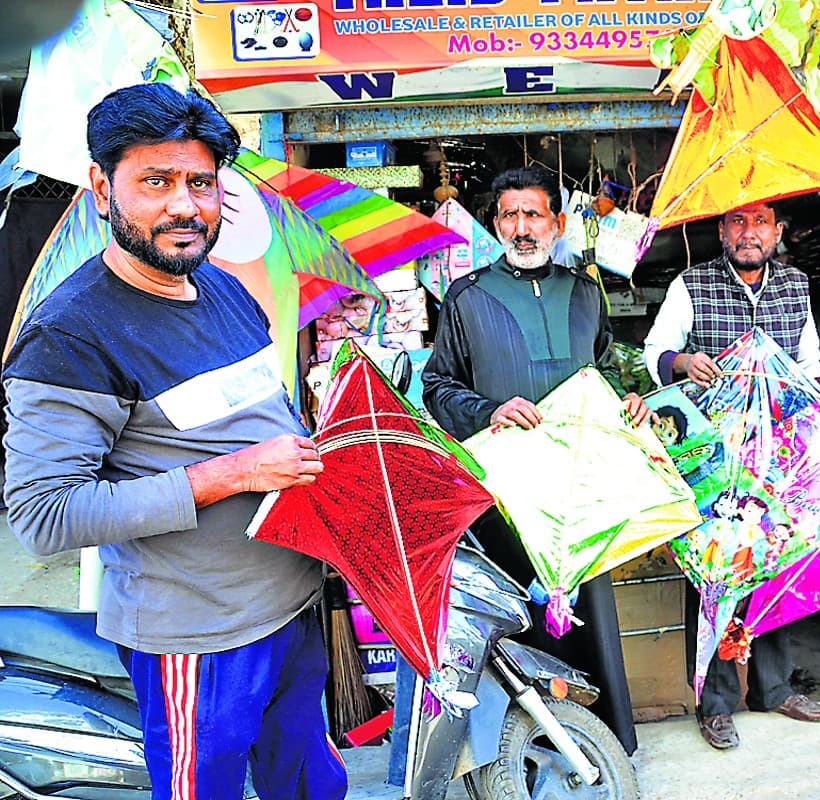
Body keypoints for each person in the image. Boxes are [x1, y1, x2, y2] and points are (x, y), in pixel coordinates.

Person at [2, 84, 344, 798]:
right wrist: (234, 474)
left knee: (310, 785)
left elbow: (260, 418)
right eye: (154, 182)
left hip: (291, 608)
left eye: (200, 182)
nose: (184, 206)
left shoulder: (219, 286)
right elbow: (44, 516)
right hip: (198, 638)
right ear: (102, 187)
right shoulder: (69, 336)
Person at [420, 165, 649, 754]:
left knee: (587, 614)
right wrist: (489, 410)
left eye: (533, 214)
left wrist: (631, 397)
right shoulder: (466, 298)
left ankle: (601, 744)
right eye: (509, 216)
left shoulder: (585, 292)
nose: (522, 228)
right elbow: (437, 387)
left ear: (558, 222)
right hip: (509, 494)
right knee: (520, 616)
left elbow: (609, 368)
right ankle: (523, 746)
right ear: (495, 224)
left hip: (581, 488)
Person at [642, 201, 820, 751]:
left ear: (778, 232)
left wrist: (817, 428)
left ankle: (774, 688)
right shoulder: (691, 284)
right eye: (737, 223)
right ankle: (715, 702)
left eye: (760, 223)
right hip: (711, 461)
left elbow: (811, 367)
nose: (749, 234)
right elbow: (654, 351)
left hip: (775, 458)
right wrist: (682, 363)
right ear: (722, 231)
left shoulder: (796, 285)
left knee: (773, 568)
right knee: (716, 577)